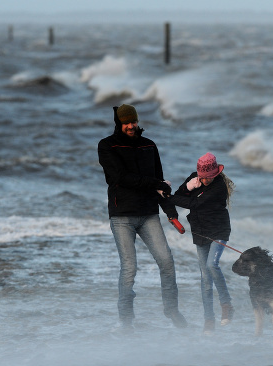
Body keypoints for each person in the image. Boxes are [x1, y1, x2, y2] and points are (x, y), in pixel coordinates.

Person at [98, 103, 187, 330]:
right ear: (119, 123)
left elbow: (159, 183)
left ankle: (172, 310)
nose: (131, 125)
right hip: (122, 216)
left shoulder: (149, 146)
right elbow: (120, 178)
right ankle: (126, 319)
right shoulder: (107, 146)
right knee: (130, 268)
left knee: (166, 262)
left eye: (133, 121)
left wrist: (170, 212)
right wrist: (155, 183)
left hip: (149, 214)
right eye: (126, 122)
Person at [170, 152, 235, 335]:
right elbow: (180, 194)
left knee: (212, 265)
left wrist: (173, 196)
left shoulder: (219, 187)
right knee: (205, 279)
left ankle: (226, 305)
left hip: (218, 230)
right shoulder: (195, 178)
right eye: (202, 177)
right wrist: (188, 187)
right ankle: (209, 320)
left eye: (208, 178)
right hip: (200, 232)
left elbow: (192, 204)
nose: (204, 181)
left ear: (215, 174)